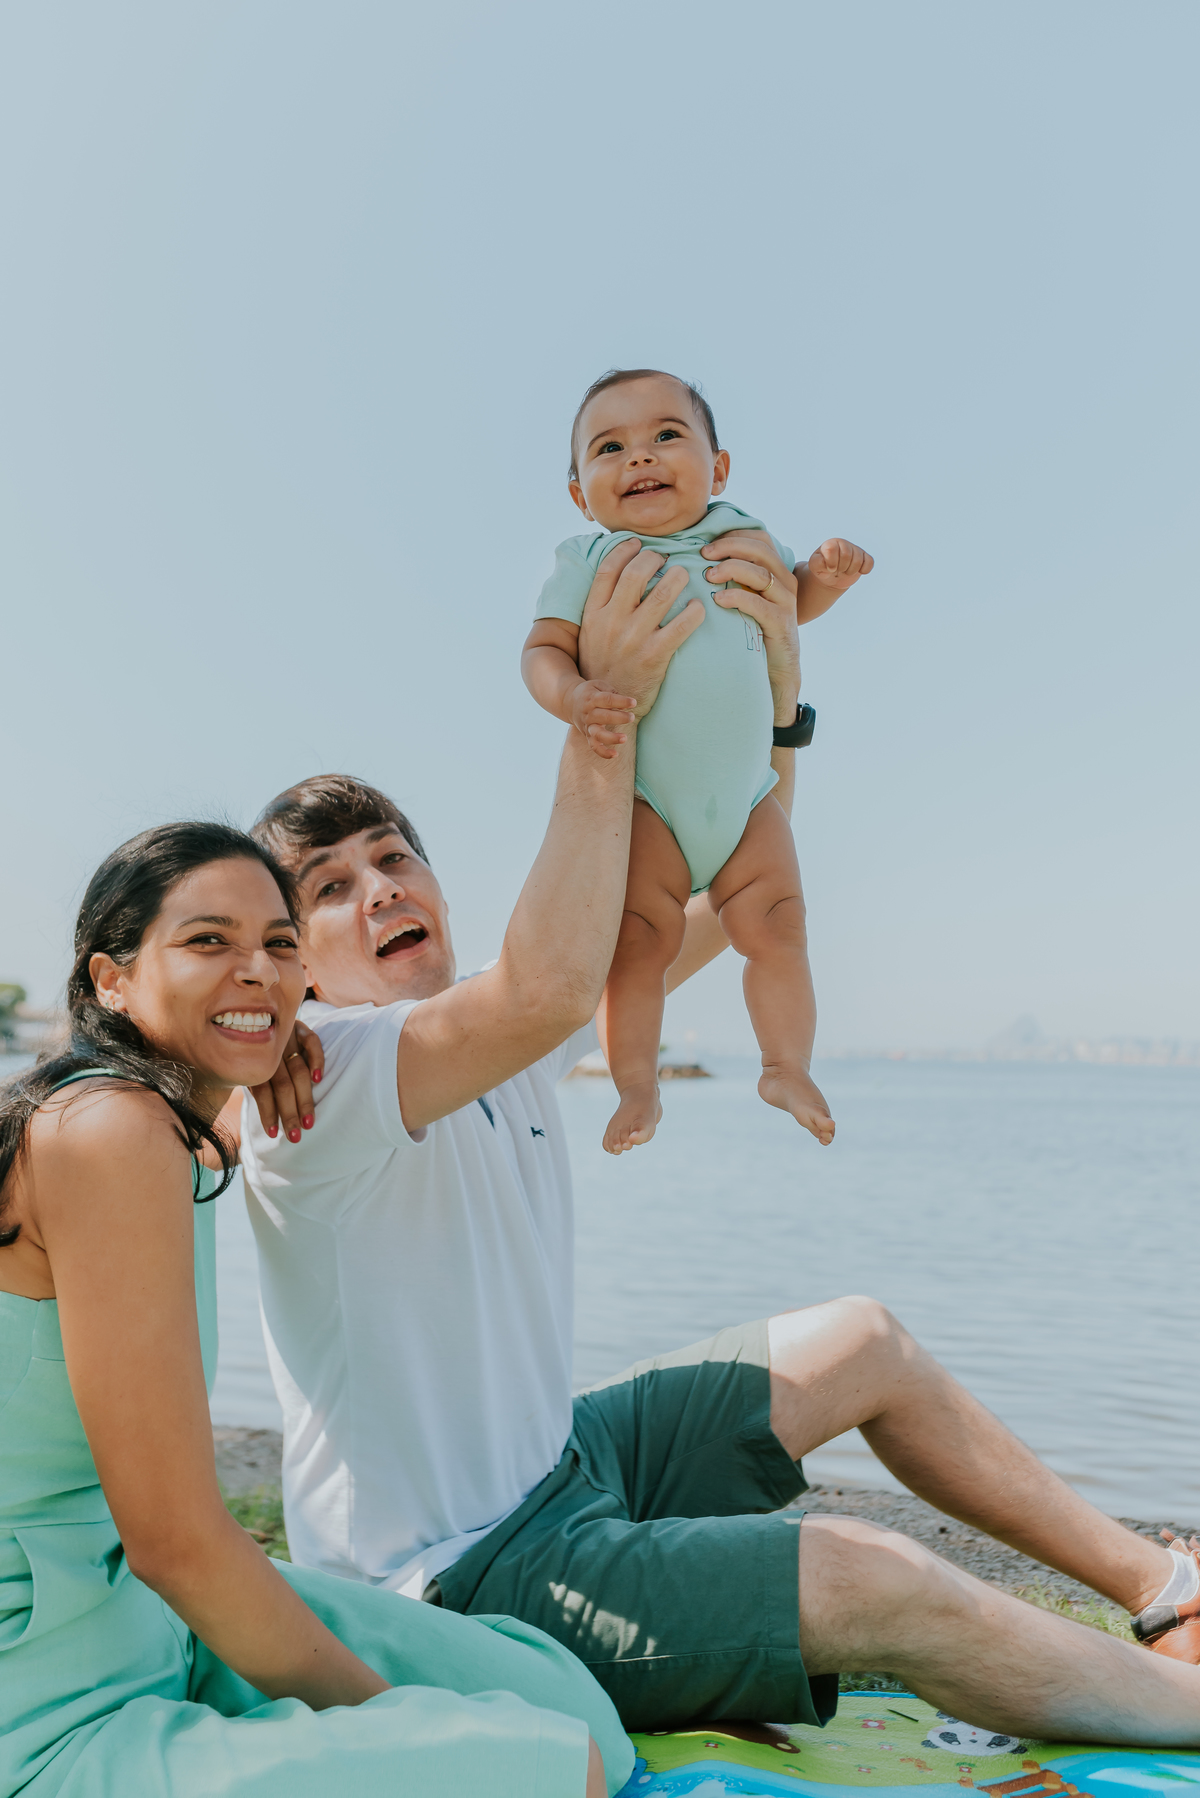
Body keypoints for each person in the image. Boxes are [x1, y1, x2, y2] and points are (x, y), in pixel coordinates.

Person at [232, 553, 1200, 1742]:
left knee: (865, 1341)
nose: (377, 890)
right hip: (461, 1581)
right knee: (873, 1575)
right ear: (292, 960)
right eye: (329, 889)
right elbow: (552, 985)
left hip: (562, 1461)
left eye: (391, 856)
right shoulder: (321, 1077)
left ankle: (1168, 1591)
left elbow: (732, 877)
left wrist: (772, 691)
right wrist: (604, 716)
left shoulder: (484, 1030)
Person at [0, 823, 629, 1798]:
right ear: (112, 978)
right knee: (553, 1766)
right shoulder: (107, 1133)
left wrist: (267, 1044)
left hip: (147, 1617)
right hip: (46, 1714)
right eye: (209, 942)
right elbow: (176, 1542)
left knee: (569, 1702)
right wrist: (399, 1724)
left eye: (281, 945)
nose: (257, 970)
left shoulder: (164, 1117)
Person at [522, 366, 872, 1153]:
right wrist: (575, 696)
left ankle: (786, 1064)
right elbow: (542, 649)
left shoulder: (741, 532)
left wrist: (825, 576)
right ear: (580, 492)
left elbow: (792, 599)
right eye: (609, 447)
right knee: (639, 945)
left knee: (781, 929)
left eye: (666, 436)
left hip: (751, 801)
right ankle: (637, 1085)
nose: (640, 456)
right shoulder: (589, 558)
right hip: (652, 803)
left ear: (717, 470)